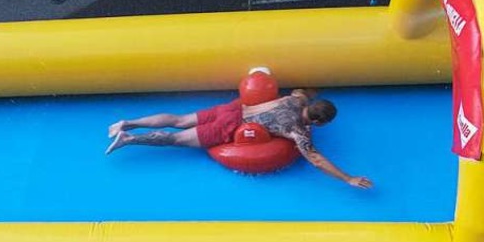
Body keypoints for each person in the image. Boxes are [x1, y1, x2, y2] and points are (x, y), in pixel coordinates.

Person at [105, 89, 372, 189]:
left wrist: (315, 92)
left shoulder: (296, 99)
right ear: (318, 123)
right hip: (231, 126)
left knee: (179, 119)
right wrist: (348, 178)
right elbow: (316, 160)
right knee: (177, 140)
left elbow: (303, 90)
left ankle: (127, 123)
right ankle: (128, 138)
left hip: (232, 109)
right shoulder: (298, 131)